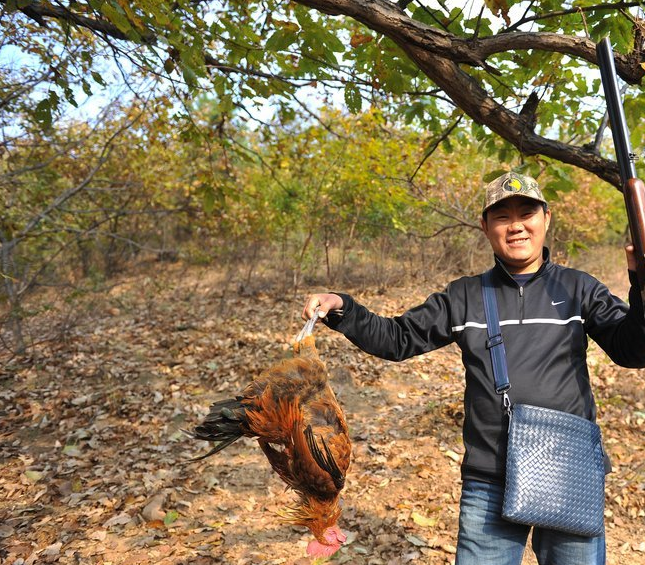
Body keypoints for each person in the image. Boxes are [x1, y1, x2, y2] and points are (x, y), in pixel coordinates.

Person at [301, 171, 645, 565]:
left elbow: (633, 350)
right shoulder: (464, 296)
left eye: (527, 212)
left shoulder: (578, 288)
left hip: (569, 471)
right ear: (485, 227)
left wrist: (641, 286)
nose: (516, 225)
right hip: (489, 478)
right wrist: (342, 306)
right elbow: (396, 338)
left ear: (546, 219)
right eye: (502, 216)